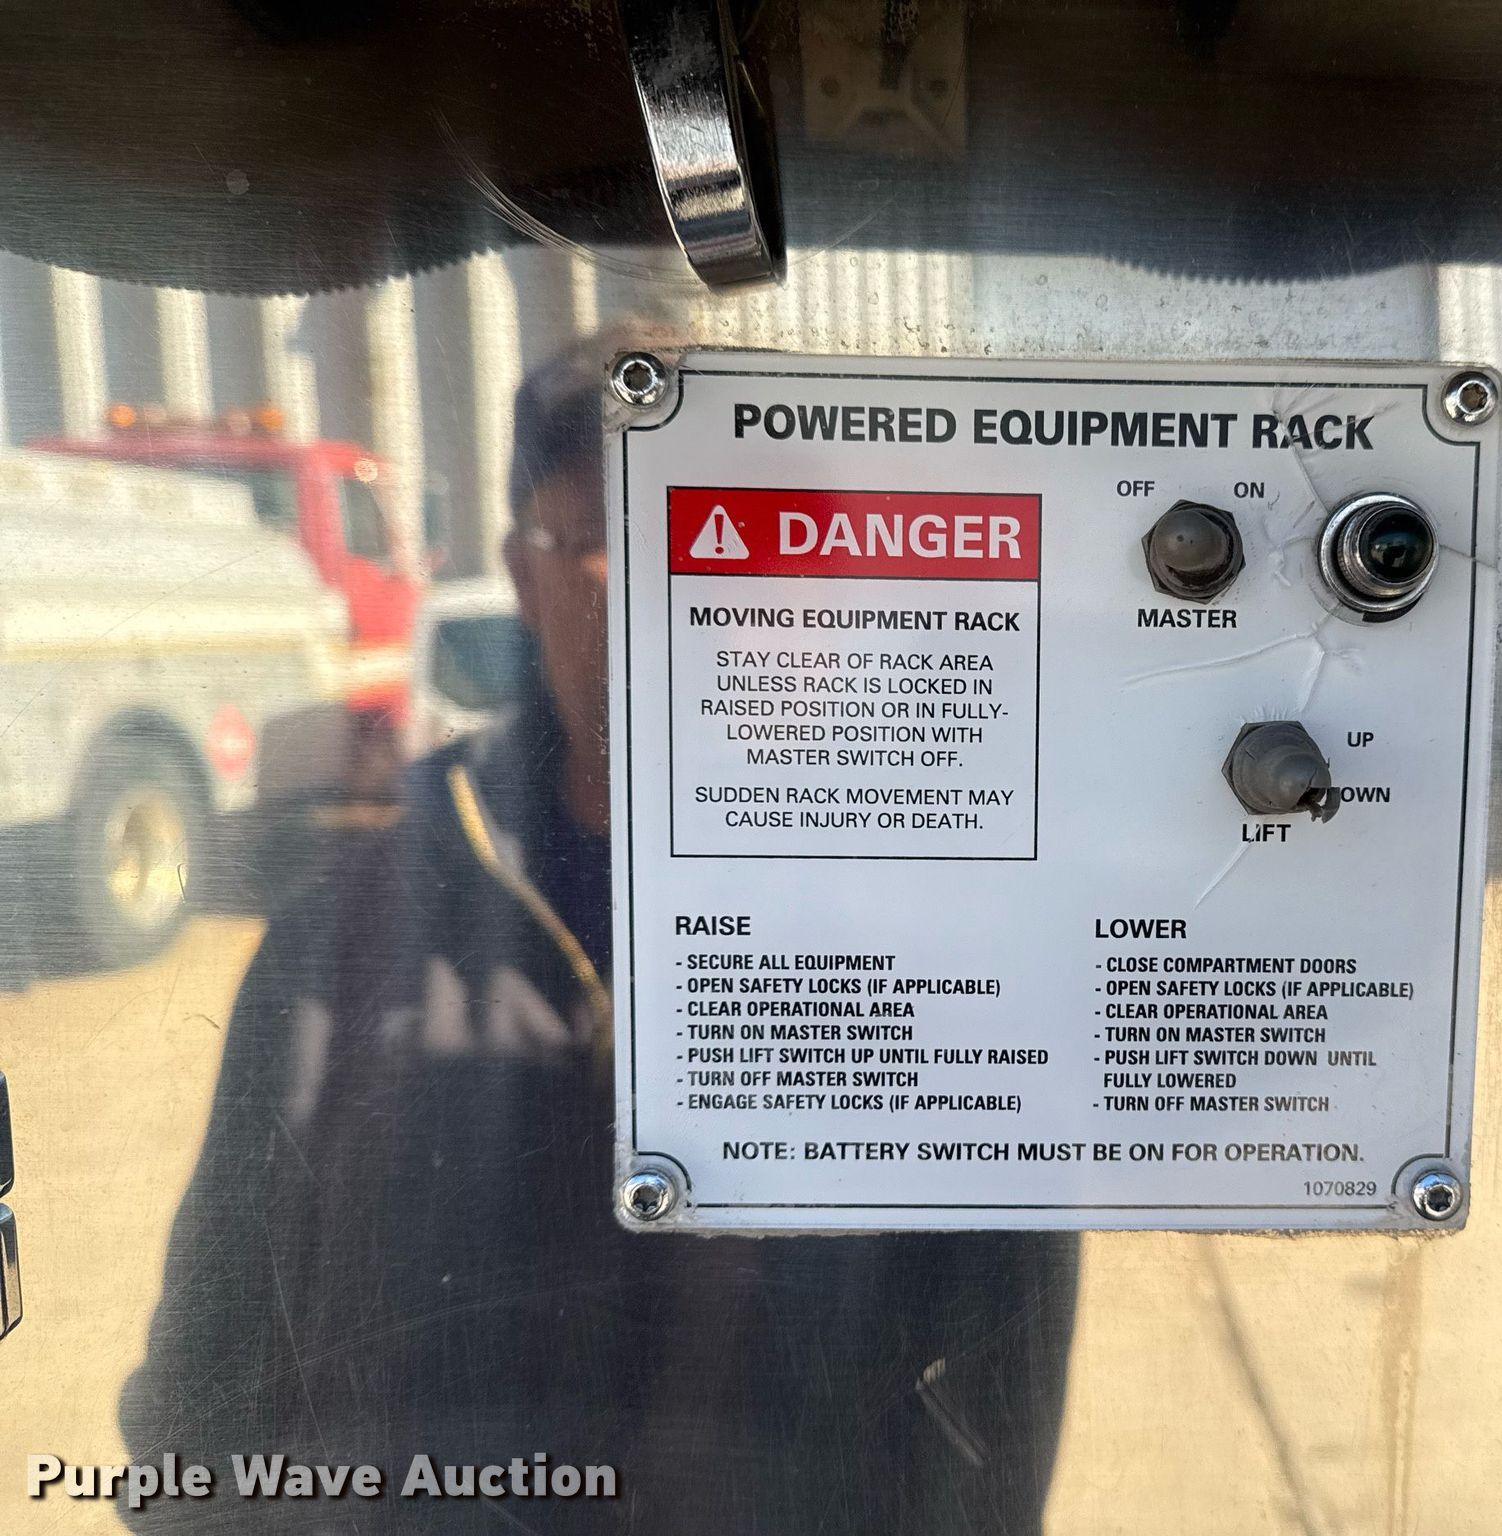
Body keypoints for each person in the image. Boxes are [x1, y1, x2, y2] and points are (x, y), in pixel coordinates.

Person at [120, 329, 1078, 1532]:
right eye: (608, 537)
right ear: (524, 579)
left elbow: (997, 1412)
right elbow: (202, 1399)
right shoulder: (348, 938)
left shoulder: (957, 956)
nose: (680, 588)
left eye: (738, 536)